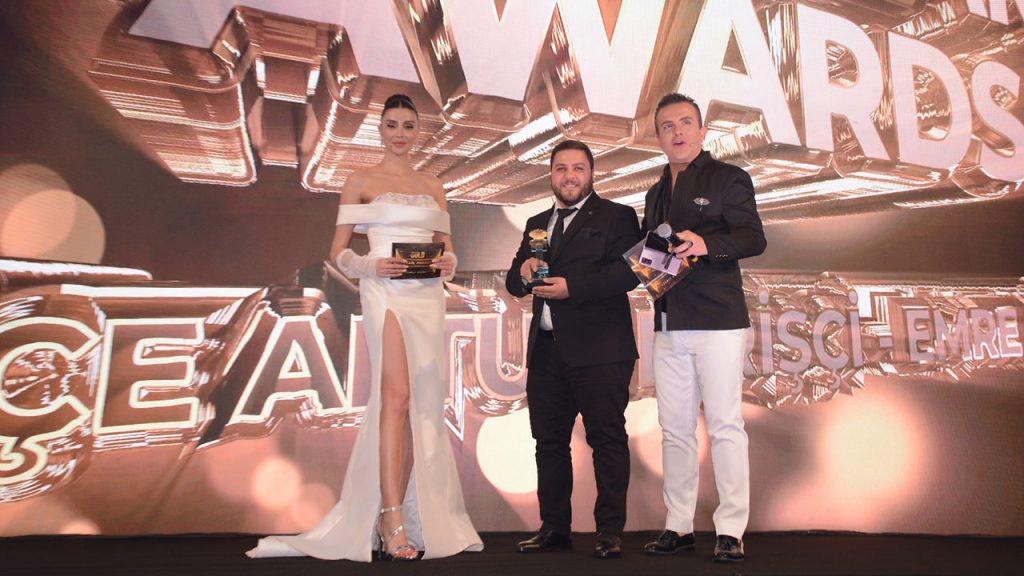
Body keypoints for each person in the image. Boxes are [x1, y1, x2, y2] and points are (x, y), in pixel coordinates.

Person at [247, 94, 483, 562]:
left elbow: (447, 248)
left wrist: (449, 263)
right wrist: (371, 266)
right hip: (385, 293)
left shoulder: (433, 184)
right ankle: (390, 516)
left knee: (419, 404)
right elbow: (338, 252)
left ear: (418, 132)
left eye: (408, 125)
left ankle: (403, 514)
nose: (400, 134)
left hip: (426, 296)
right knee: (395, 396)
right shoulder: (360, 181)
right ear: (380, 129)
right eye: (392, 124)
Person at [640, 93, 766, 563]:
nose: (677, 132)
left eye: (686, 123)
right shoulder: (655, 192)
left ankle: (731, 529)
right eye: (667, 126)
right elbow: (654, 255)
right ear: (658, 137)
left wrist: (705, 243)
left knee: (725, 424)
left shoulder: (729, 178)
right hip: (668, 322)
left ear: (702, 130)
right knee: (674, 428)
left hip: (717, 320)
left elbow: (754, 237)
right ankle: (678, 525)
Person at [505, 140, 642, 559]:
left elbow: (629, 273)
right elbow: (513, 283)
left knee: (607, 440)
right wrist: (523, 272)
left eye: (578, 168)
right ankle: (554, 529)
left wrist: (573, 288)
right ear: (551, 175)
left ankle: (609, 533)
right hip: (547, 351)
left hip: (602, 351)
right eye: (561, 168)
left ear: (591, 173)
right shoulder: (536, 222)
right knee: (548, 444)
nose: (570, 176)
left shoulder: (618, 216)